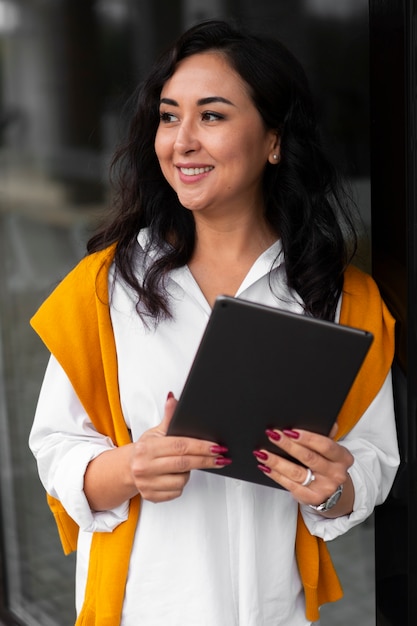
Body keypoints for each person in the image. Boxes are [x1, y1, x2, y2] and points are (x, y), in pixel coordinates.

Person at [29, 18, 399, 626]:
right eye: (169, 117)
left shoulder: (342, 298)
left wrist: (336, 487)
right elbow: (55, 447)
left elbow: (373, 457)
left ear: (274, 141)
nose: (182, 141)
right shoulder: (106, 286)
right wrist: (129, 469)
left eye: (213, 115)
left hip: (274, 610)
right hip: (140, 607)